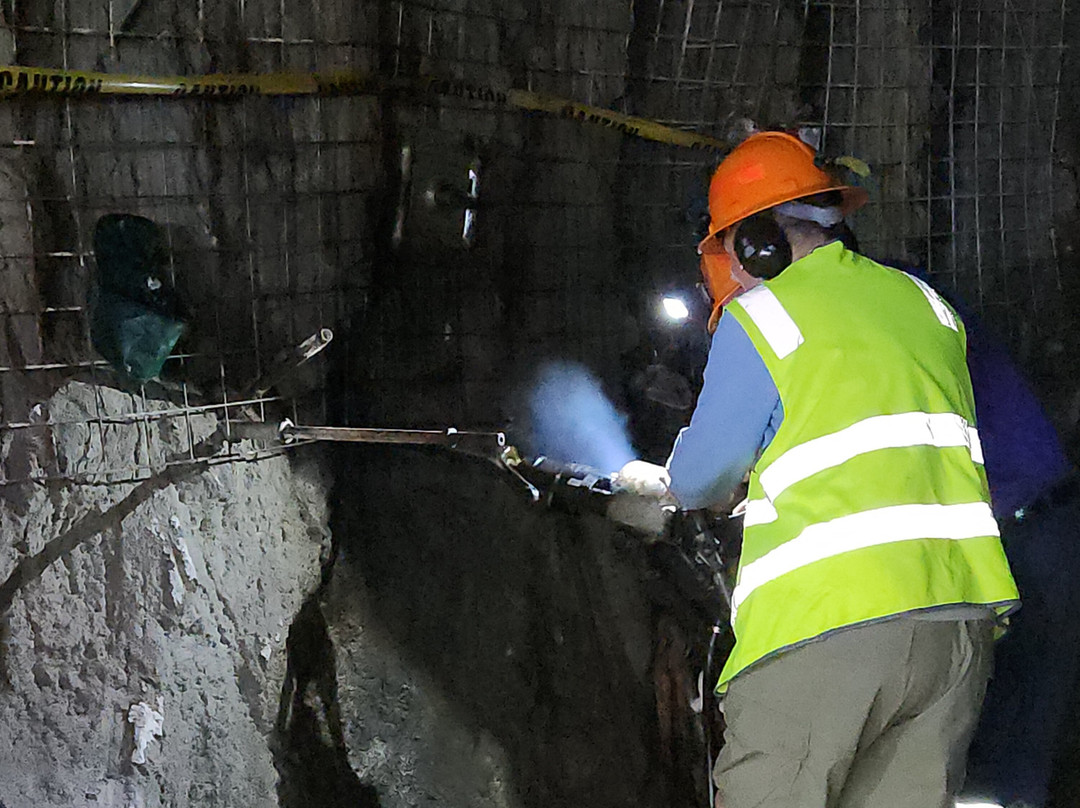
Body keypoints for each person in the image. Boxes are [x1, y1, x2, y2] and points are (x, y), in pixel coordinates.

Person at [617, 131, 1020, 808]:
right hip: (957, 626)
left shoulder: (764, 316)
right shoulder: (928, 306)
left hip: (831, 627)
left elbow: (701, 478)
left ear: (755, 242)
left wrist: (681, 473)